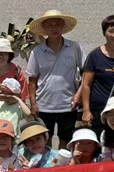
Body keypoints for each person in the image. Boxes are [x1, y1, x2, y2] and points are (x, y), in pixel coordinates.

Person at [25, 10, 84, 151]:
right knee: (45, 142)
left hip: (68, 105)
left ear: (63, 27)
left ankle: (62, 165)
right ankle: (46, 164)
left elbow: (86, 75)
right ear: (44, 28)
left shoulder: (74, 47)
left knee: (66, 142)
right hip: (44, 106)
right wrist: (33, 104)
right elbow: (32, 81)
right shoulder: (37, 52)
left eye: (57, 24)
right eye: (50, 25)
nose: (54, 28)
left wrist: (79, 94)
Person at [0, 38, 29, 129]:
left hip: (13, 112)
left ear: (9, 55)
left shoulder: (17, 71)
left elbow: (22, 96)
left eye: (4, 53)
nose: (1, 56)